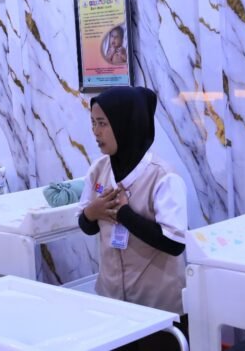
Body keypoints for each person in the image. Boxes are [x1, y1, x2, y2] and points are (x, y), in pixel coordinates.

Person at [77, 86, 188, 350]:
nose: (95, 132)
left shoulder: (163, 176)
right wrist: (92, 213)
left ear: (126, 124)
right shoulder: (98, 171)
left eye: (102, 124)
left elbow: (174, 243)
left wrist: (125, 214)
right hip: (111, 303)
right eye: (93, 123)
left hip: (158, 308)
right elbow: (86, 225)